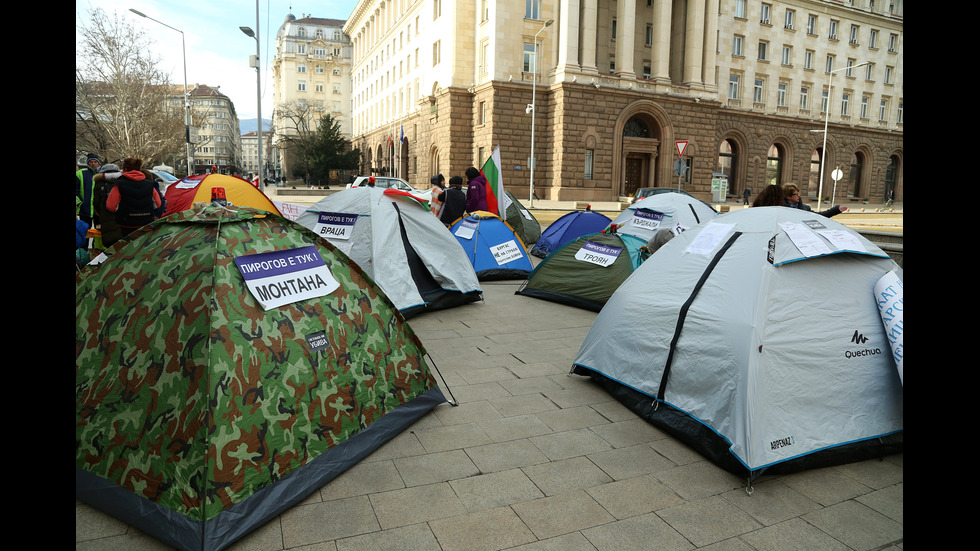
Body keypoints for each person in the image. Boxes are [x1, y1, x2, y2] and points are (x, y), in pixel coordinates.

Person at [105, 158, 163, 238]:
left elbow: (111, 206)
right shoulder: (150, 185)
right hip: (146, 222)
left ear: (125, 169)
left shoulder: (119, 184)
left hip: (126, 224)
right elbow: (157, 204)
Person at [92, 163, 124, 249]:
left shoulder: (98, 183)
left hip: (105, 217)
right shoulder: (122, 181)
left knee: (108, 243)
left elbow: (96, 201)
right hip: (121, 217)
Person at [781, 183, 847, 217]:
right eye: (796, 194)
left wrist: (835, 210)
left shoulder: (805, 208)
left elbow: (819, 216)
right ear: (788, 196)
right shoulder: (780, 208)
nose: (799, 196)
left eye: (798, 193)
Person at [76, 153, 102, 226]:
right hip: (84, 210)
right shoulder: (79, 174)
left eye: (95, 162)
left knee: (98, 231)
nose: (93, 164)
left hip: (99, 211)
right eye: (91, 162)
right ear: (87, 163)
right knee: (85, 232)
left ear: (98, 163)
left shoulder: (102, 174)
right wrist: (79, 202)